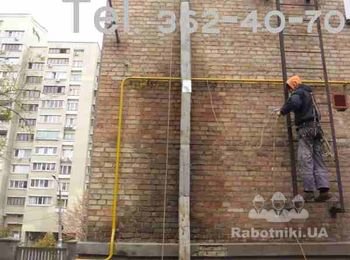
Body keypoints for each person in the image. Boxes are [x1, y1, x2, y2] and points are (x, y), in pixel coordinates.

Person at [277, 75, 331, 202]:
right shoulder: (309, 94)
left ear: (294, 84)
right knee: (318, 159)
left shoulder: (299, 92)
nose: (290, 91)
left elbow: (294, 102)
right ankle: (324, 190)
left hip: (306, 129)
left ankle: (309, 192)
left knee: (305, 159)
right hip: (317, 129)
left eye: (290, 88)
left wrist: (282, 111)